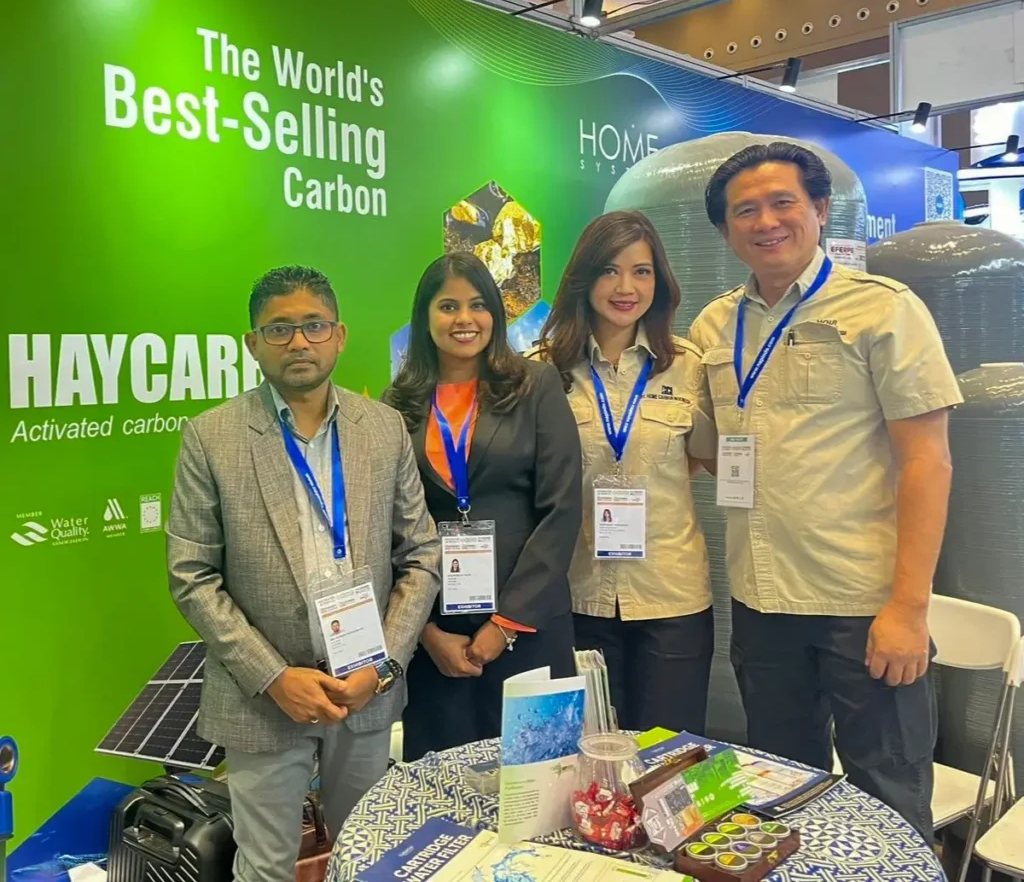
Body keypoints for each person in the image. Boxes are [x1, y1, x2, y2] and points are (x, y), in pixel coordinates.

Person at [690, 142, 961, 840]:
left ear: (818, 208)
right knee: (780, 796)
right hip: (762, 603)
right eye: (744, 211)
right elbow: (708, 450)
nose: (766, 222)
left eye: (782, 202)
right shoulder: (714, 325)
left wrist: (909, 607)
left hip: (863, 605)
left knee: (888, 801)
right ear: (724, 230)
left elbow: (928, 462)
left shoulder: (883, 310)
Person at [166, 266, 440, 882]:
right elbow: (192, 574)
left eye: (314, 326)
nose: (298, 342)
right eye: (279, 328)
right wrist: (273, 677)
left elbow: (422, 554)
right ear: (252, 343)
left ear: (339, 336)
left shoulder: (383, 428)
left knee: (369, 860)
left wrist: (384, 665)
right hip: (264, 701)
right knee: (265, 868)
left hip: (363, 690)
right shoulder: (211, 438)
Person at [383, 252, 582, 761]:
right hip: (437, 636)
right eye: (447, 306)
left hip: (529, 625)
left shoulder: (535, 385)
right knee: (441, 784)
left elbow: (561, 509)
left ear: (495, 312)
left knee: (539, 782)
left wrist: (506, 623)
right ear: (425, 317)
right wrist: (424, 633)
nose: (464, 319)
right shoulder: (397, 404)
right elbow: (386, 530)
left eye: (477, 305)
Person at [535, 210, 718, 734]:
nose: (625, 288)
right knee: (583, 755)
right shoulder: (543, 369)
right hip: (576, 594)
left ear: (659, 282)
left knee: (667, 756)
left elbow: (702, 460)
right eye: (609, 270)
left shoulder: (689, 366)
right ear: (584, 277)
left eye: (641, 272)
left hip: (671, 597)